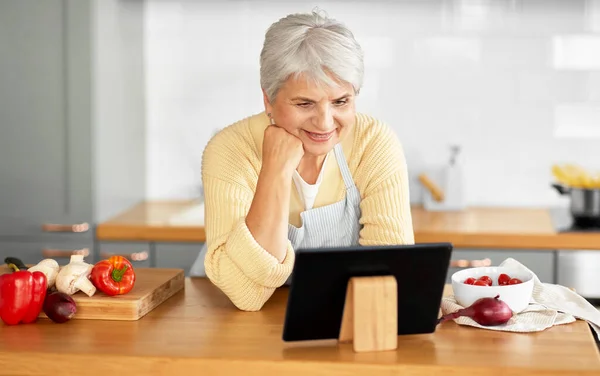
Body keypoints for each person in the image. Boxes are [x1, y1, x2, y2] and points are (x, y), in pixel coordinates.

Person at [189, 9, 415, 311]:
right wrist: (275, 171)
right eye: (304, 103)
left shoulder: (373, 142)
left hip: (338, 316)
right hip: (236, 323)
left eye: (340, 101)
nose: (324, 123)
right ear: (268, 98)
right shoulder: (231, 150)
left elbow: (389, 276)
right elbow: (246, 295)